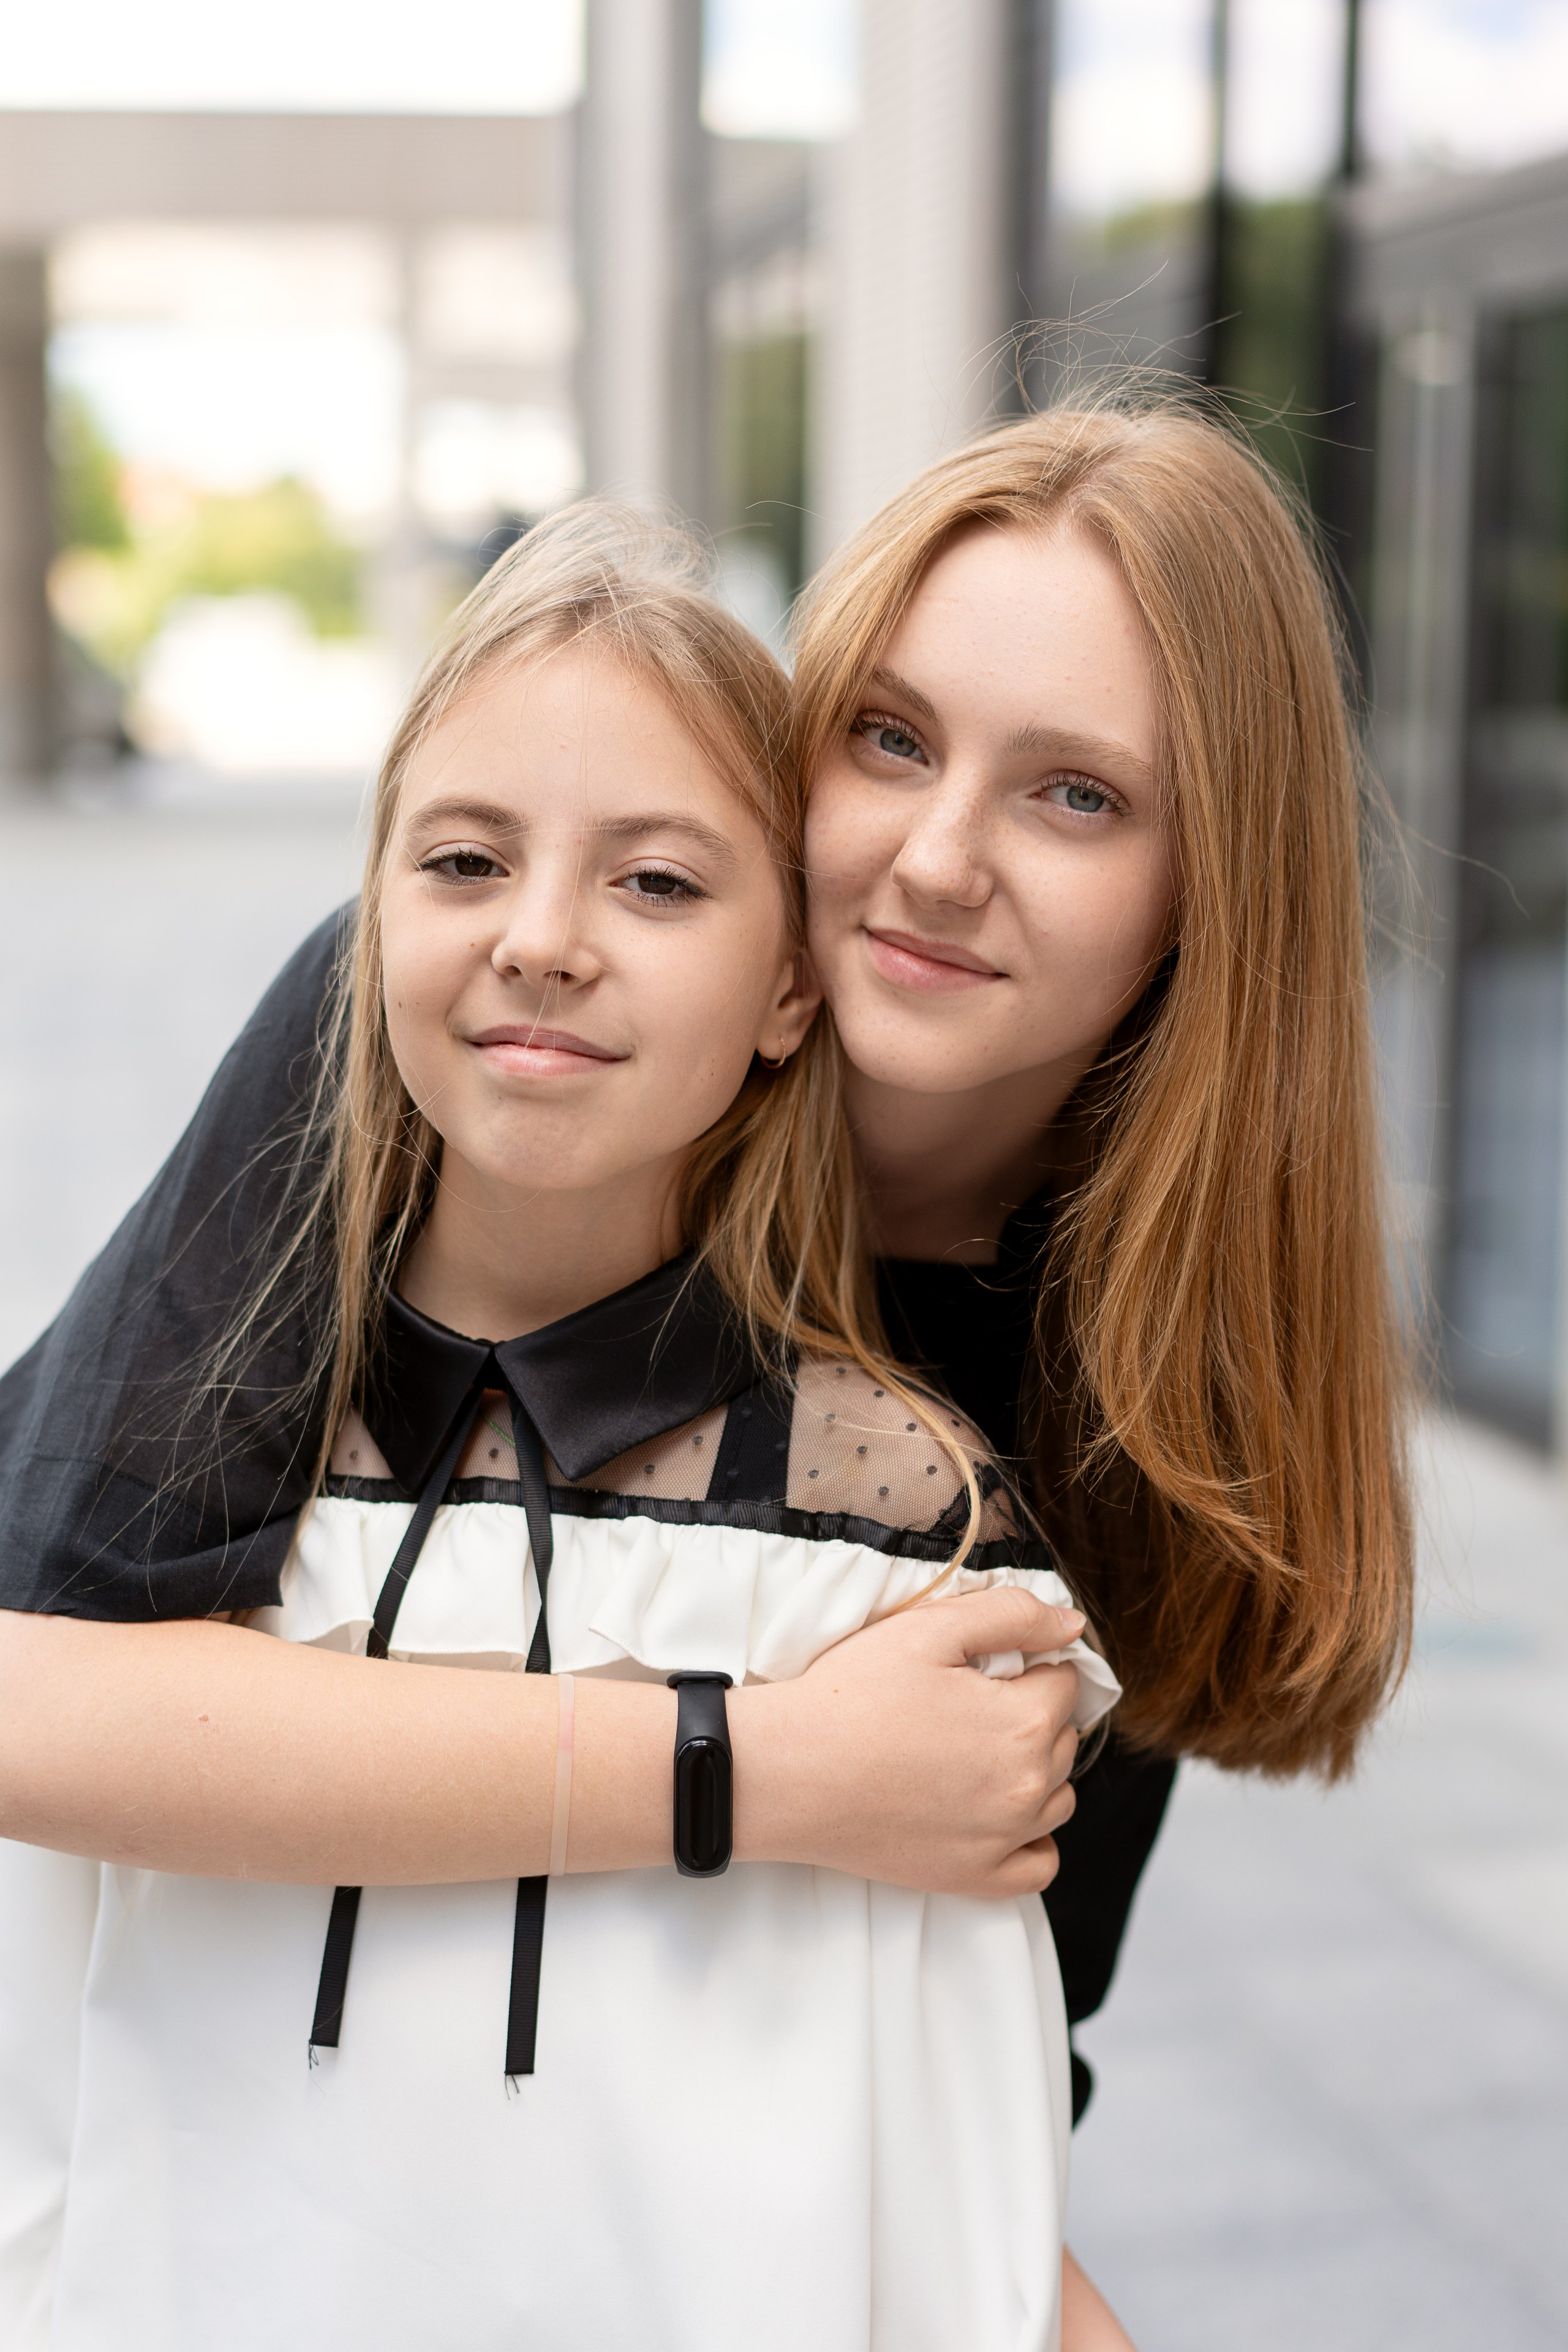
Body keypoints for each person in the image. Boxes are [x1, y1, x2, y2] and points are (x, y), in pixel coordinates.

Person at [1, 393, 1414, 2331]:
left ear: (1207, 898)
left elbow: (983, 2070)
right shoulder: (486, 1058)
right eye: (890, 737)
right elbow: (38, 1688)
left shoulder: (1138, 1377)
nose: (934, 856)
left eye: (1074, 794)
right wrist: (740, 1764)